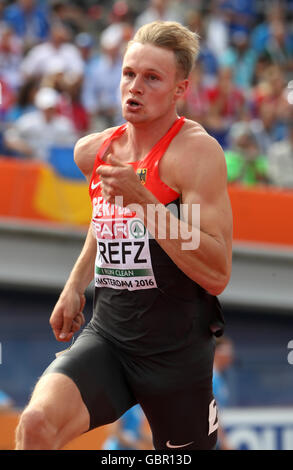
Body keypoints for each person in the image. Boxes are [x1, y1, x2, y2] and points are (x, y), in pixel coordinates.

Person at [15, 20, 233, 451]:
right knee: (36, 424)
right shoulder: (93, 152)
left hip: (176, 354)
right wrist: (76, 284)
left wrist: (146, 201)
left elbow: (215, 268)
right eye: (129, 73)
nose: (135, 87)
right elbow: (105, 218)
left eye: (152, 78)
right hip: (111, 338)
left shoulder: (196, 154)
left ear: (179, 90)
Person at [213, 336, 235, 450]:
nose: (230, 357)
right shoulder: (211, 378)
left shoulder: (218, 377)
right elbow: (210, 413)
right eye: (228, 352)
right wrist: (224, 441)